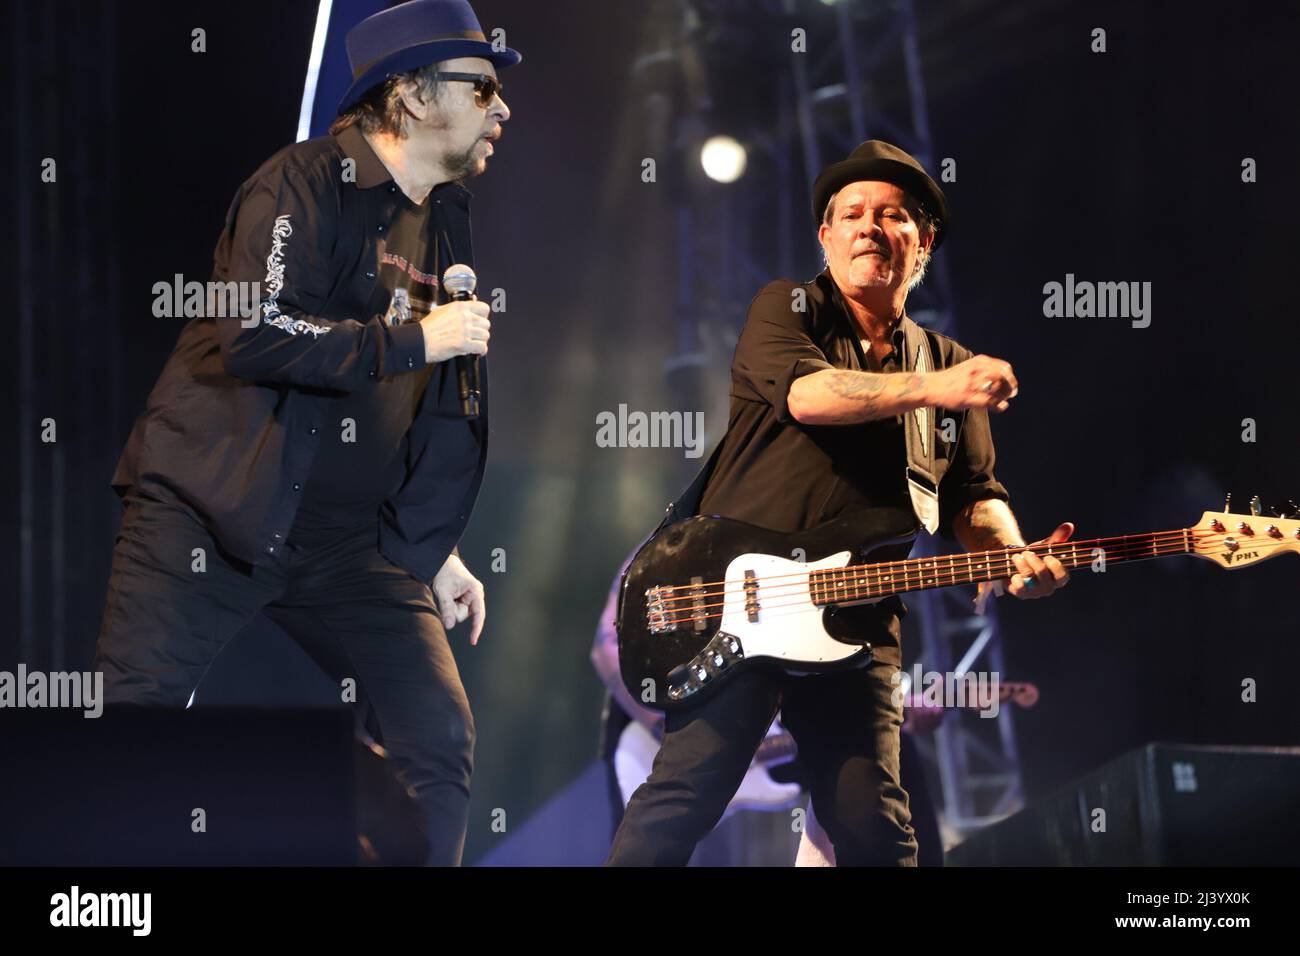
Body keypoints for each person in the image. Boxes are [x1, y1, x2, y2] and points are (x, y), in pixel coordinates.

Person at [93, 0, 519, 866]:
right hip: (211, 511)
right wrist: (413, 339)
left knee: (436, 740)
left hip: (346, 544)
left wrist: (430, 545)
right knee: (129, 721)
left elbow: (424, 402)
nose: (501, 108)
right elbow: (254, 331)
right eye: (480, 87)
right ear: (408, 94)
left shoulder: (446, 219)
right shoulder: (303, 179)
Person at [607, 140, 1073, 866]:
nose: (869, 226)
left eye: (892, 215)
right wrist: (932, 391)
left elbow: (974, 495)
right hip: (737, 593)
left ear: (923, 244)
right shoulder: (789, 307)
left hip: (857, 616)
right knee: (687, 794)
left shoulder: (948, 363)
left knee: (873, 825)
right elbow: (810, 395)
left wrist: (1012, 553)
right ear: (825, 238)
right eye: (851, 213)